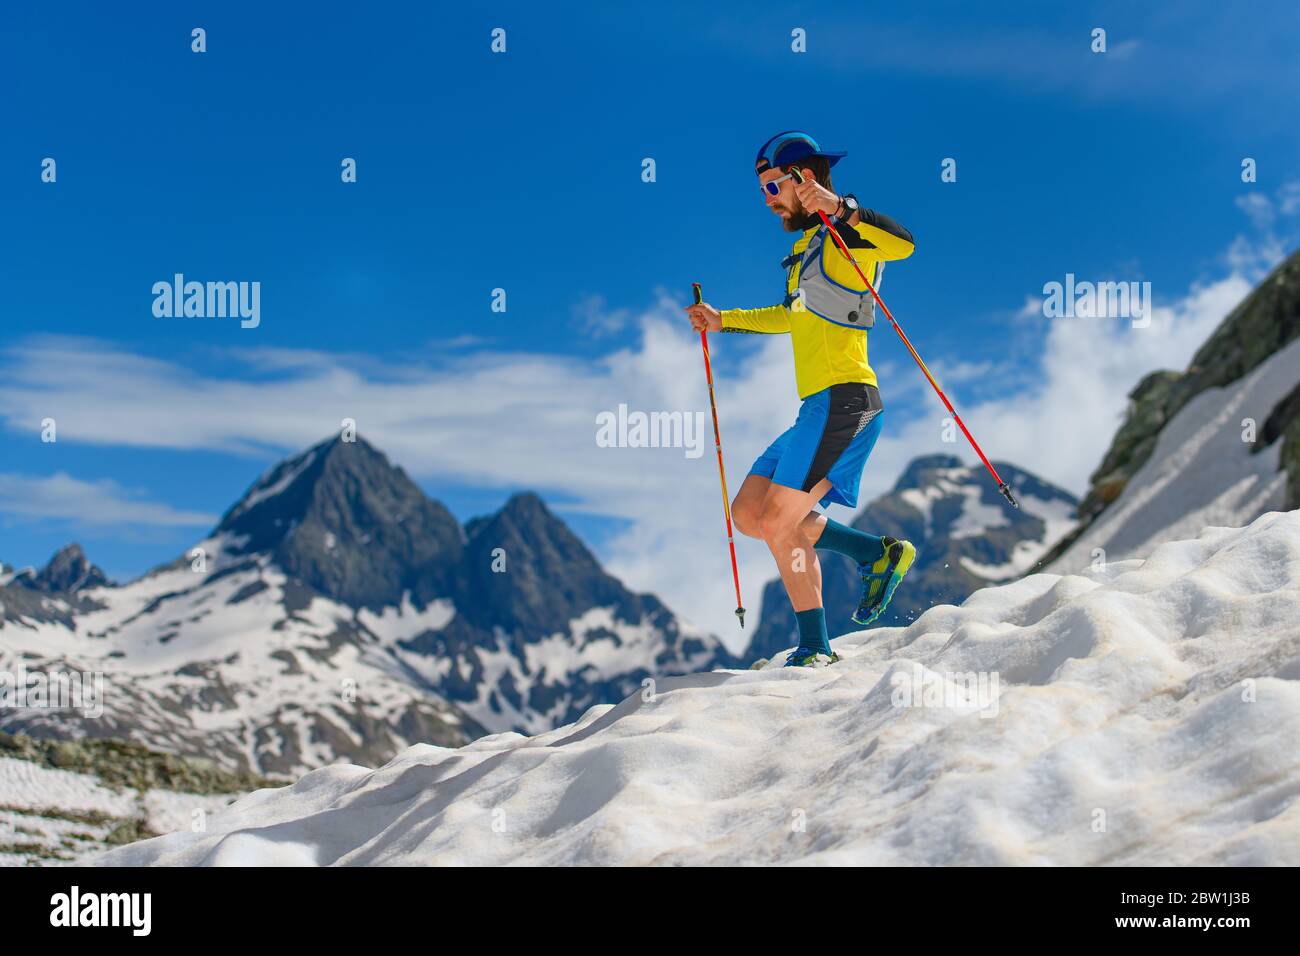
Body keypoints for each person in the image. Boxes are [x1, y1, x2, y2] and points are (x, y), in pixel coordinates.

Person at [684, 131, 917, 667]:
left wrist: (845, 209)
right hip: (816, 408)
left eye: (771, 186)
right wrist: (724, 321)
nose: (766, 199)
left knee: (778, 519)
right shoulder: (802, 251)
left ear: (802, 179)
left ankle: (816, 648)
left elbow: (904, 244)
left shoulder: (842, 238)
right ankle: (873, 553)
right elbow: (790, 317)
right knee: (749, 513)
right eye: (762, 188)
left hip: (848, 401)